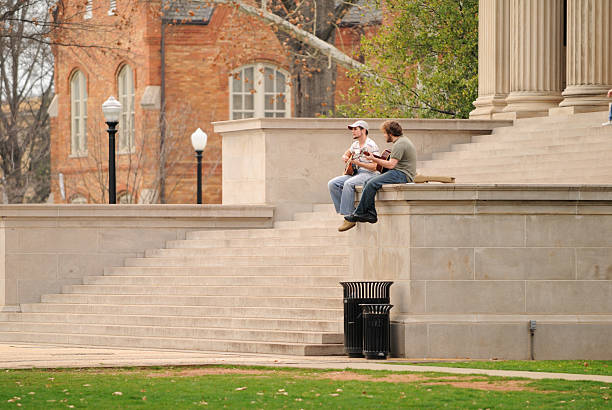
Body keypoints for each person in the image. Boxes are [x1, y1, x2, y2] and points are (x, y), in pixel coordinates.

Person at [338, 120, 416, 232]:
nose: (384, 136)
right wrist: (374, 158)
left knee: (371, 182)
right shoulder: (400, 142)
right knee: (367, 182)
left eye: (385, 133)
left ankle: (360, 213)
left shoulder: (400, 144)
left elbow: (391, 164)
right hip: (397, 172)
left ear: (390, 133)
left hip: (402, 174)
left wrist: (373, 159)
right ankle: (371, 213)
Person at [328, 120, 380, 226]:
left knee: (349, 183)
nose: (353, 131)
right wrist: (345, 157)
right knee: (332, 184)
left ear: (363, 130)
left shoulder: (370, 145)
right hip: (356, 173)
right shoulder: (355, 144)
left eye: (355, 129)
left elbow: (375, 167)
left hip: (369, 173)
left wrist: (359, 164)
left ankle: (350, 216)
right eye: (352, 129)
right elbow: (347, 153)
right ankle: (346, 211)